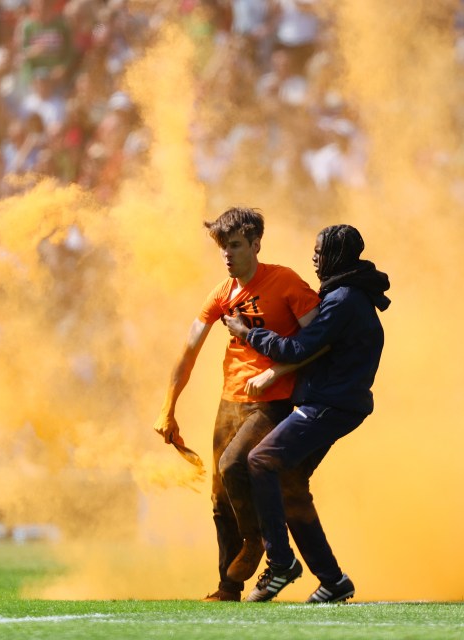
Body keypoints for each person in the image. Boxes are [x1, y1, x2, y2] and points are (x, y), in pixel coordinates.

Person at [152, 207, 321, 602]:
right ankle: (229, 585)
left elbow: (318, 343)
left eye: (234, 245)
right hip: (230, 399)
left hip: (272, 401)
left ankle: (258, 540)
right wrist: (168, 407)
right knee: (219, 495)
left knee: (233, 465)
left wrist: (277, 372)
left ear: (255, 244)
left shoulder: (285, 282)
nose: (227, 255)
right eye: (222, 247)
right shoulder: (222, 293)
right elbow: (188, 350)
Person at [221, 224, 390, 603]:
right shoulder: (348, 294)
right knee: (290, 483)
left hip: (330, 404)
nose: (313, 257)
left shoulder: (343, 298)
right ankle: (332, 581)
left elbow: (298, 349)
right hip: (337, 402)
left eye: (319, 251)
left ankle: (281, 562)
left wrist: (248, 333)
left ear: (336, 255)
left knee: (260, 460)